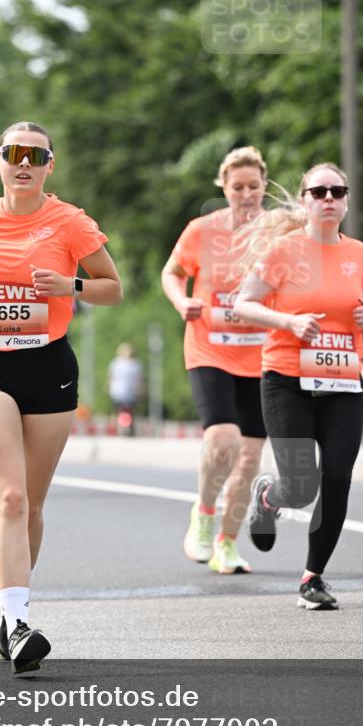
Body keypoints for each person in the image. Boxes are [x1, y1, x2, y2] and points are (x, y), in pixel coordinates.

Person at [0, 121, 122, 673]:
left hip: (48, 366)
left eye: (35, 155)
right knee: (11, 499)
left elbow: (112, 289)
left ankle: (10, 611)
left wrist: (68, 287)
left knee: (34, 505)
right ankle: (19, 623)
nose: (24, 163)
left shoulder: (69, 222)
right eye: (14, 153)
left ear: (50, 165)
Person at [234, 162, 363, 610]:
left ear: (347, 199)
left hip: (343, 380)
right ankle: (268, 497)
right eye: (319, 192)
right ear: (304, 200)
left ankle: (312, 577)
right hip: (287, 380)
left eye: (337, 191)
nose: (329, 198)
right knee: (300, 485)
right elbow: (243, 303)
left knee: (337, 478)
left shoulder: (359, 253)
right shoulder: (283, 251)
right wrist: (288, 321)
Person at [161, 146, 269, 574]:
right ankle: (204, 514)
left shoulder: (277, 233)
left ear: (264, 187)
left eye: (254, 186)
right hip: (210, 348)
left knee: (249, 457)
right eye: (237, 187)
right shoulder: (201, 230)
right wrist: (180, 300)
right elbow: (172, 271)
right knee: (223, 440)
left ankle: (227, 542)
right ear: (223, 188)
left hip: (262, 354)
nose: (246, 194)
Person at [106, 343, 143, 434]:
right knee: (119, 410)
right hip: (122, 392)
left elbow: (139, 379)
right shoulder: (134, 364)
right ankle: (116, 428)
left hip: (126, 392)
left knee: (126, 410)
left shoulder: (117, 363)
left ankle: (125, 428)